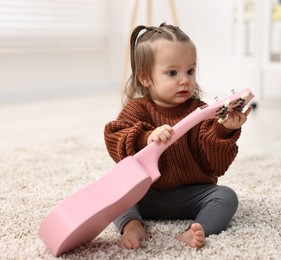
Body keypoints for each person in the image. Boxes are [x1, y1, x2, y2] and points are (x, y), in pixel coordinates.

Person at [104, 22, 252, 250]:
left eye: (190, 71)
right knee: (113, 189)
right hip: (146, 194)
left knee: (226, 197)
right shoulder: (136, 110)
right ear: (145, 77)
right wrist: (146, 137)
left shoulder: (202, 112)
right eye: (172, 73)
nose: (184, 80)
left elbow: (215, 164)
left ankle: (198, 228)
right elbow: (115, 139)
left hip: (192, 194)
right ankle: (132, 225)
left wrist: (224, 130)